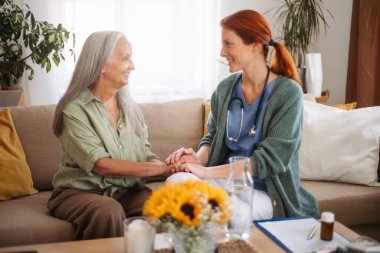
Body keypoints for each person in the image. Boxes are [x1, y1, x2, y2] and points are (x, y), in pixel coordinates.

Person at [166, 10, 319, 220]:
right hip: (226, 183)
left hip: (264, 192)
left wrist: (206, 173)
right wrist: (197, 160)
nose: (221, 52)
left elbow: (268, 162)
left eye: (228, 44)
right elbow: (213, 137)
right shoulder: (225, 88)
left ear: (255, 45)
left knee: (228, 215)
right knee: (176, 182)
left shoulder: (288, 93)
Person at [48, 31, 172, 239]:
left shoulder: (131, 108)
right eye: (126, 58)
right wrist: (161, 168)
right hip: (81, 193)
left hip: (126, 193)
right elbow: (101, 165)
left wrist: (170, 165)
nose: (133, 66)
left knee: (166, 206)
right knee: (107, 211)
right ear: (101, 65)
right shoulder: (74, 110)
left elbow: (144, 153)